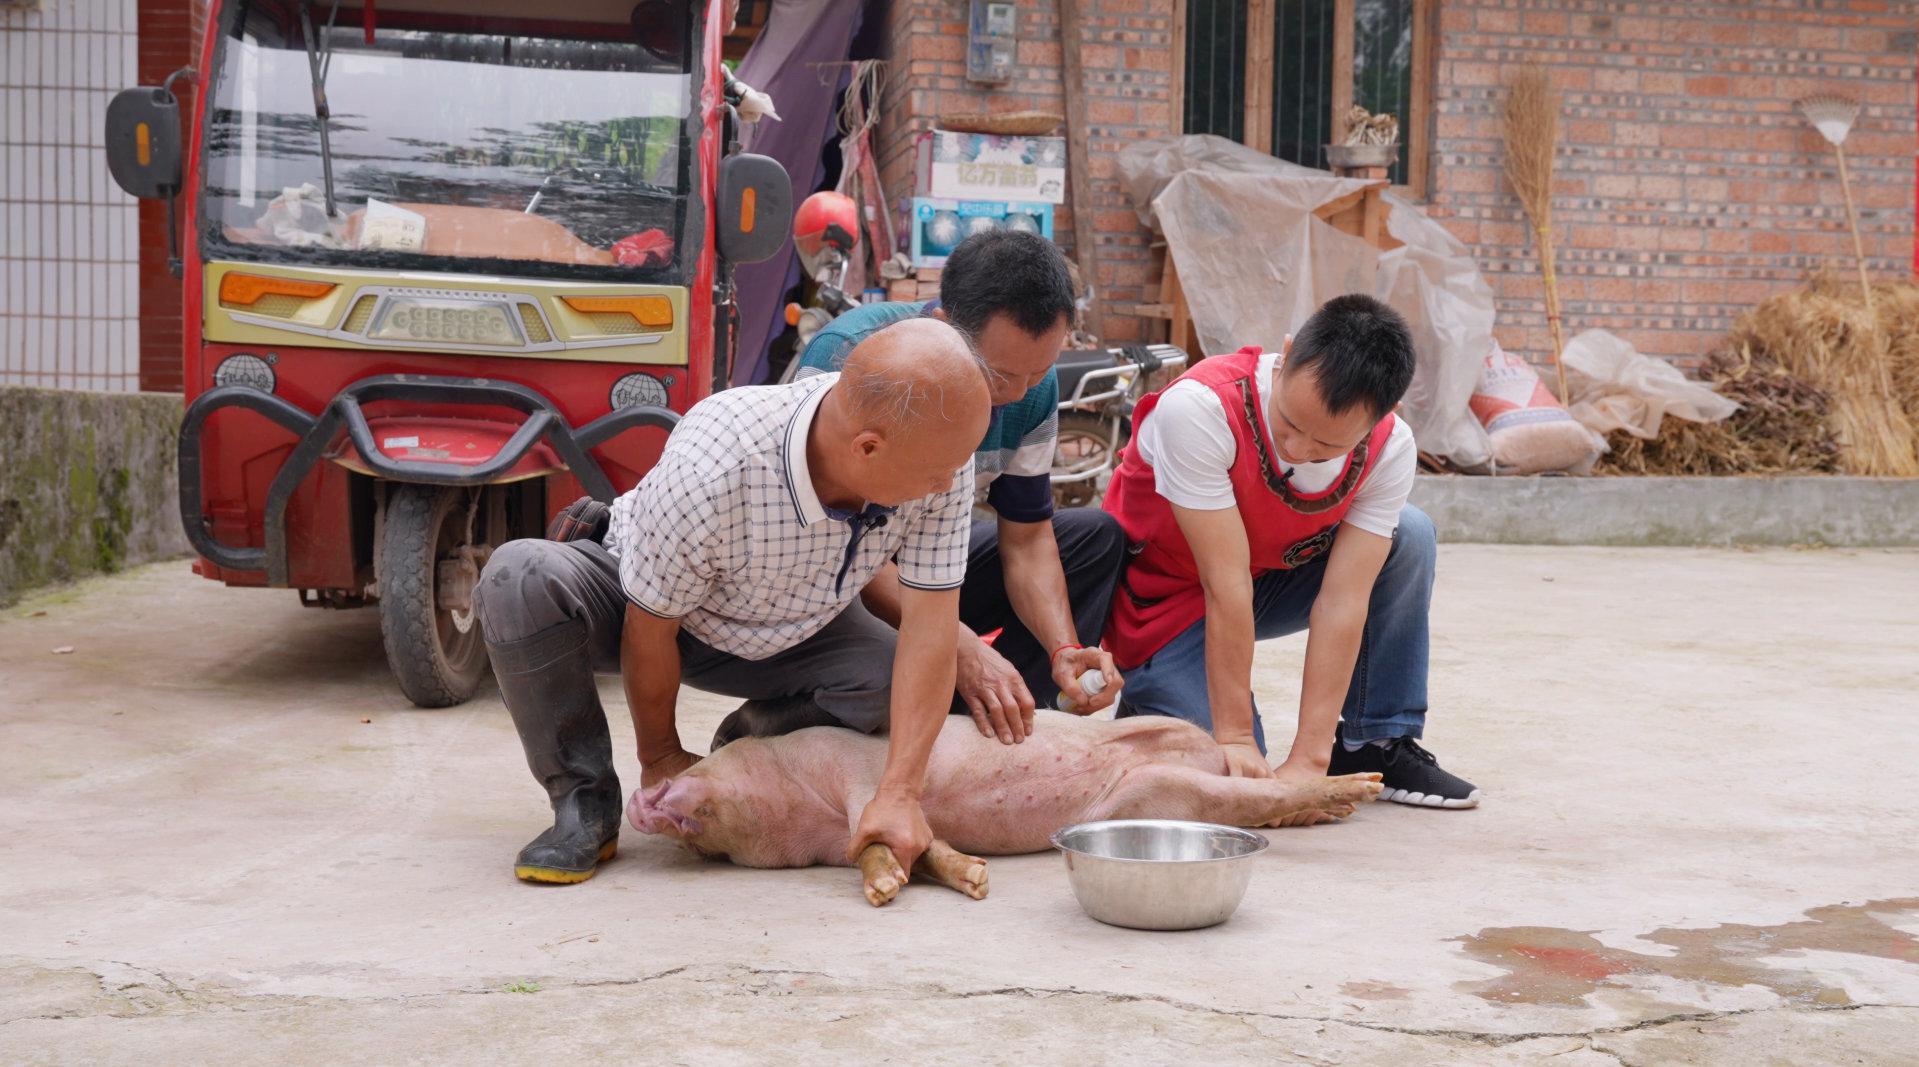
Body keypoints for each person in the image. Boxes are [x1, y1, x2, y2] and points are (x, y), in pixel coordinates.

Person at [477, 318, 991, 884]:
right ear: (867, 447)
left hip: (793, 625)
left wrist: (900, 793)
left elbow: (931, 628)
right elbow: (650, 629)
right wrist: (662, 757)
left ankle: (743, 742)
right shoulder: (718, 462)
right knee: (520, 577)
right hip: (642, 606)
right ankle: (584, 801)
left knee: (888, 679)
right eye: (938, 474)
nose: (949, 484)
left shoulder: (942, 453)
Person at [1103, 294, 1479, 818]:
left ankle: (1372, 743)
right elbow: (1224, 582)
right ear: (1285, 356)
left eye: (1326, 445)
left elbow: (1343, 602)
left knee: (1409, 535)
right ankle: (1156, 685)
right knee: (1224, 782)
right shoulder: (1202, 406)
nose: (1299, 450)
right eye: (1289, 425)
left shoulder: (1390, 448)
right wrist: (1235, 738)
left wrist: (1309, 761)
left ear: (1380, 417)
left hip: (1265, 582)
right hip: (1165, 598)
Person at [793, 229, 1124, 745]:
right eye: (998, 374)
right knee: (877, 667)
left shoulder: (1031, 386)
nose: (1014, 395)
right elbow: (828, 544)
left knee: (1094, 537)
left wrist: (1064, 648)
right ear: (944, 327)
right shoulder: (851, 356)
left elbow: (1028, 539)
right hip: (837, 571)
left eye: (1037, 372)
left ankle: (1009, 721)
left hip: (936, 561)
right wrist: (961, 646)